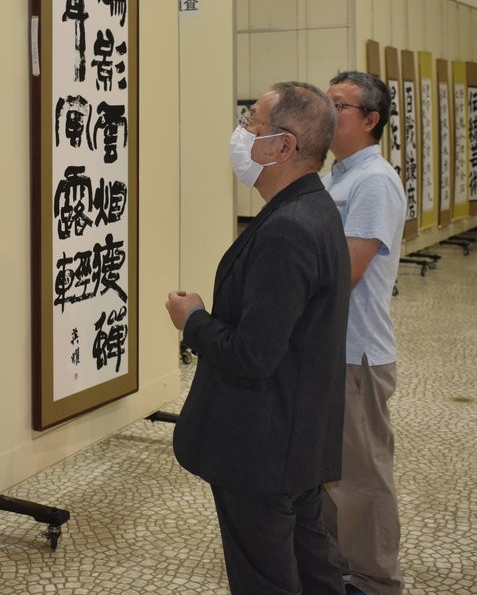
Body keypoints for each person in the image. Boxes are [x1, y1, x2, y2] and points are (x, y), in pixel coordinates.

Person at [166, 82, 350, 595]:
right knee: (312, 565)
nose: (241, 133)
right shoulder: (314, 208)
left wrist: (192, 320)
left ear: (283, 146)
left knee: (265, 577)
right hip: (298, 436)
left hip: (264, 446)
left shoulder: (288, 229)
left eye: (252, 123)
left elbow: (254, 353)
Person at [320, 71, 406, 595]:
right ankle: (340, 568)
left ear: (371, 119)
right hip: (332, 348)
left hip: (358, 352)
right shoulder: (337, 177)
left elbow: (345, 273)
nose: (328, 112)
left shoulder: (373, 181)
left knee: (362, 476)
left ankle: (374, 581)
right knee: (332, 473)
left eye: (340, 105)